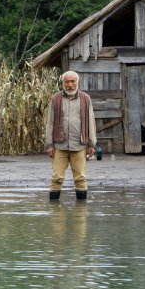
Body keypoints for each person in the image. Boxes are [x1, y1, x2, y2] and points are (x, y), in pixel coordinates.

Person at [44, 70, 97, 202]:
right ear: (63, 83)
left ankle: (81, 216)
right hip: (59, 146)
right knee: (56, 179)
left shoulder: (85, 99)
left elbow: (91, 121)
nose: (70, 85)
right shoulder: (55, 99)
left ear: (77, 82)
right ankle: (56, 217)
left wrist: (92, 144)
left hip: (79, 145)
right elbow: (50, 122)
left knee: (80, 178)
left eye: (73, 81)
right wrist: (49, 144)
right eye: (67, 81)